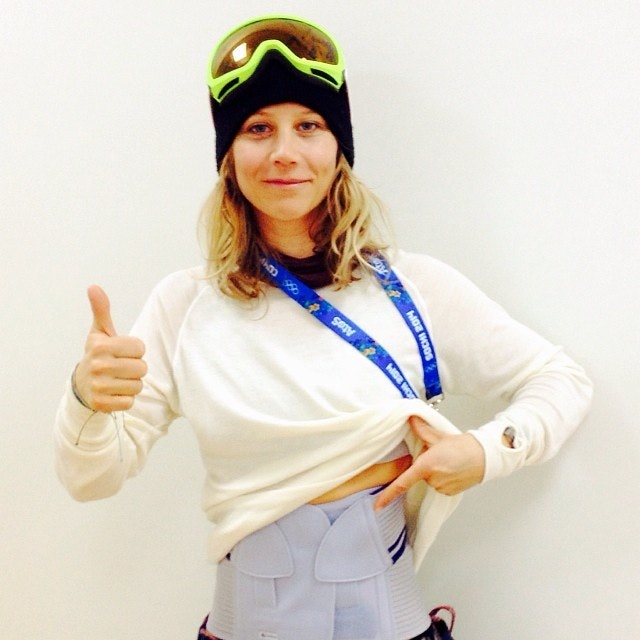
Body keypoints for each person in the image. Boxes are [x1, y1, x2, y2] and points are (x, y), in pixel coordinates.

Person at [54, 14, 593, 640]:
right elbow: (90, 479)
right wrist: (87, 400)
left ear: (338, 148)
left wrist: (488, 452)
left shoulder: (416, 289)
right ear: (229, 156)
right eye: (258, 128)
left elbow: (561, 378)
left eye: (309, 125)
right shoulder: (184, 305)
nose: (284, 152)